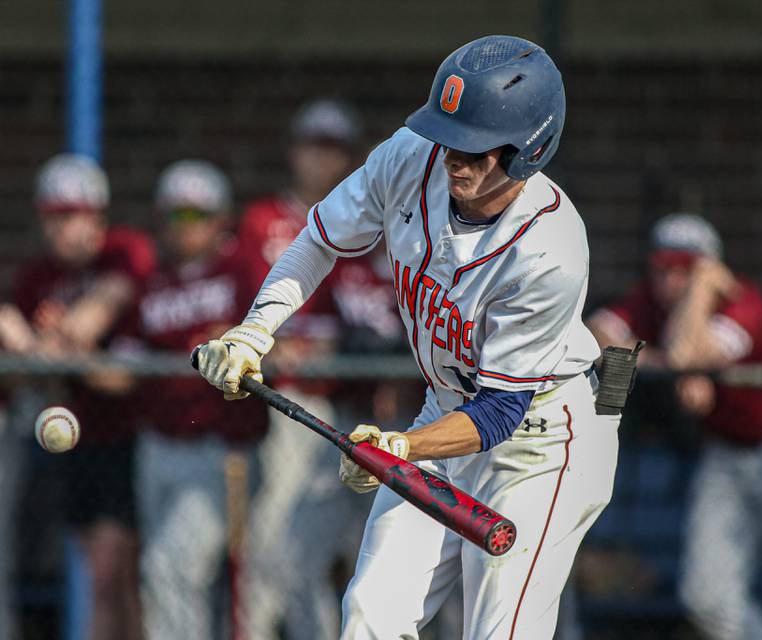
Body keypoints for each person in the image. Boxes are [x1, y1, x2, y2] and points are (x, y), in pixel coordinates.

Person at [196, 35, 622, 639]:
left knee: (500, 632)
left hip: (540, 441)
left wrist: (405, 449)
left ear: (530, 148)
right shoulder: (409, 155)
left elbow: (500, 411)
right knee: (371, 614)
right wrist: (254, 330)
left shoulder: (550, 248)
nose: (455, 159)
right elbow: (319, 239)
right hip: (443, 408)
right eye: (449, 137)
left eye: (477, 147)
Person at [587, 213, 762, 640]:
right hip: (725, 453)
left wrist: (701, 296)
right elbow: (593, 336)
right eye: (662, 267)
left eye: (686, 269)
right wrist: (669, 365)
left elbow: (692, 354)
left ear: (713, 272)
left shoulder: (744, 302)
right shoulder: (650, 298)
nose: (670, 279)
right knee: (706, 598)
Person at [9, 153, 155, 640]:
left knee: (115, 574)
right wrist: (52, 349)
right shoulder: (37, 276)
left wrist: (65, 344)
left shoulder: (123, 253)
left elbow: (122, 378)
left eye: (71, 215)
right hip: (75, 444)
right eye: (52, 216)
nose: (60, 228)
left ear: (97, 217)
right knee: (106, 578)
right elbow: (40, 367)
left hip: (125, 438)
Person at [236, 98, 365, 640]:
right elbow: (242, 302)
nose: (320, 159)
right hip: (286, 405)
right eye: (313, 145)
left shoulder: (368, 224)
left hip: (360, 407)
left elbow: (374, 314)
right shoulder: (263, 219)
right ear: (295, 151)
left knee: (349, 555)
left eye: (332, 148)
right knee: (272, 548)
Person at [132, 160, 267, 640]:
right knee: (173, 575)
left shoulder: (243, 270)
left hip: (222, 449)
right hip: (159, 445)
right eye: (175, 215)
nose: (185, 227)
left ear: (220, 219)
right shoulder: (151, 276)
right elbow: (130, 357)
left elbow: (283, 341)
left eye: (197, 215)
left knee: (172, 567)